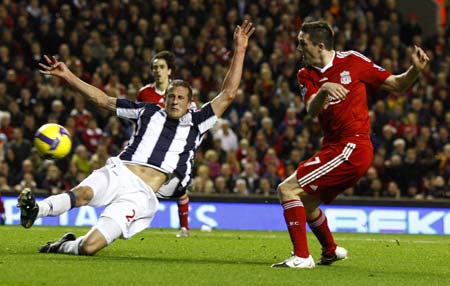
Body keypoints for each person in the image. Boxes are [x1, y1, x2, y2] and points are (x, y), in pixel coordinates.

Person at [17, 20, 255, 256]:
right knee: (83, 194)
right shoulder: (148, 111)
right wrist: (67, 75)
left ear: (190, 102)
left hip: (142, 195)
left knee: (90, 247)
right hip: (119, 172)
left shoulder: (197, 121)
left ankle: (61, 245)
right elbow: (103, 100)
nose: (174, 101)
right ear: (164, 99)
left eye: (180, 98)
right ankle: (36, 210)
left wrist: (240, 49)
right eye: (170, 96)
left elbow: (229, 93)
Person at [271, 21, 429, 268]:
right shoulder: (305, 74)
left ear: (320, 45)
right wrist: (324, 90)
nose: (298, 48)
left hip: (353, 146)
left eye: (303, 43)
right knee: (308, 203)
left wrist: (415, 70)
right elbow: (312, 109)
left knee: (287, 190)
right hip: (333, 147)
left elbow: (397, 85)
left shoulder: (353, 61)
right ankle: (330, 250)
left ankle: (302, 256)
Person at [138, 50, 194, 237]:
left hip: (176, 147)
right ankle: (134, 219)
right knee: (143, 186)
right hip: (151, 147)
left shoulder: (179, 92)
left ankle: (184, 227)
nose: (157, 70)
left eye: (161, 67)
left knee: (180, 190)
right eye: (154, 67)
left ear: (169, 70)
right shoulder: (144, 93)